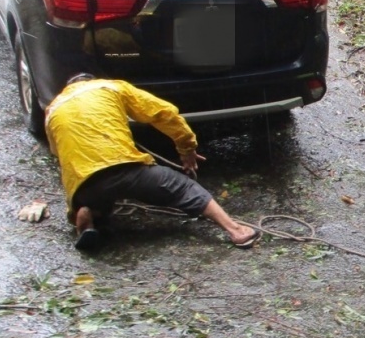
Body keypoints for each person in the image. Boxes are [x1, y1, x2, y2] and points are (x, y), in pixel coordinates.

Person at [44, 74, 261, 252]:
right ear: (90, 81)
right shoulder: (110, 87)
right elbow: (162, 113)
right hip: (125, 168)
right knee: (184, 188)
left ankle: (88, 215)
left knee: (100, 195)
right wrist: (186, 148)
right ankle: (236, 231)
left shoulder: (53, 109)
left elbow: (59, 155)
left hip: (84, 185)